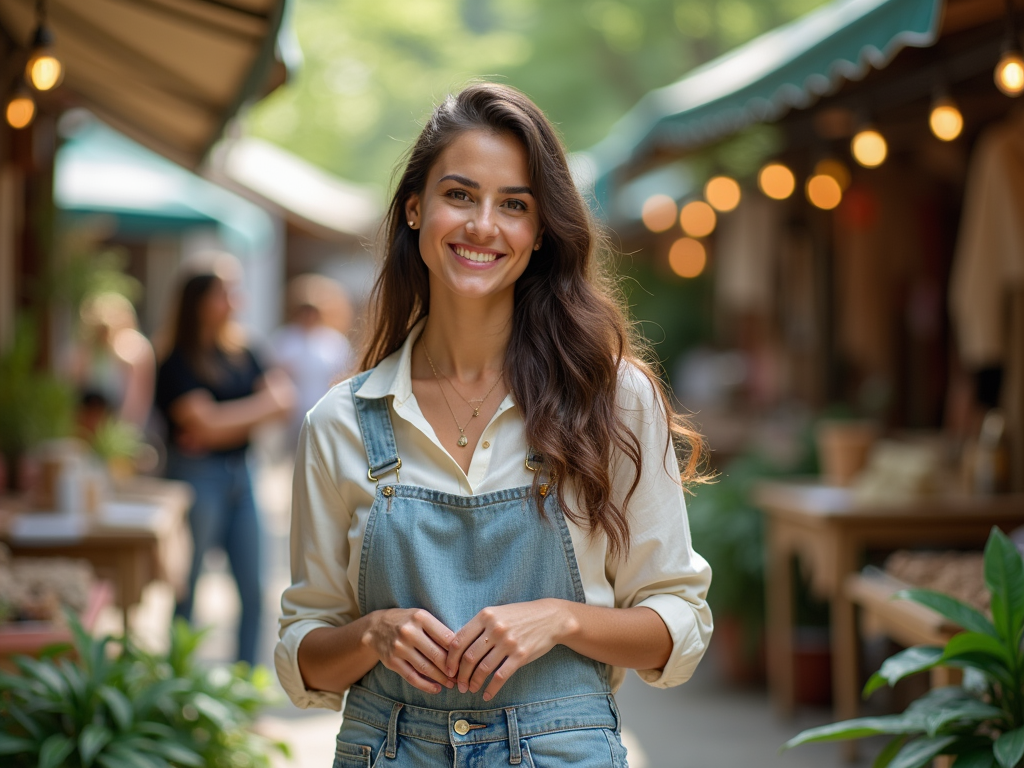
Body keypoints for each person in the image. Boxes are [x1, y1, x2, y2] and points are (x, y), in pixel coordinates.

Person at [276, 83, 712, 766]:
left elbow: (678, 625)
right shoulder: (341, 424)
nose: (484, 225)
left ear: (540, 233)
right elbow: (304, 652)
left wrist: (563, 620)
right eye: (460, 195)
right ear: (415, 209)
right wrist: (373, 635)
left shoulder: (612, 400)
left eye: (514, 204)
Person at [156, 269, 294, 665]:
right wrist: (249, 415)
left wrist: (219, 422)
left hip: (242, 473)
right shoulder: (174, 361)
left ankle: (243, 688)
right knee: (187, 587)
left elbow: (284, 401)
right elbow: (206, 424)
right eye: (225, 294)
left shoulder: (245, 351)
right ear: (197, 303)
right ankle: (176, 683)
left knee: (254, 590)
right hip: (194, 477)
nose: (236, 302)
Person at [271, 274, 355, 449]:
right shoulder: (286, 339)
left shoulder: (334, 341)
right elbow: (274, 375)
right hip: (292, 414)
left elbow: (345, 376)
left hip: (323, 410)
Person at [66, 292, 155, 432]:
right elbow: (73, 390)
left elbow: (137, 402)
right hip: (90, 426)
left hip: (124, 426)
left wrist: (126, 430)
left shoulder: (134, 352)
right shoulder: (84, 354)